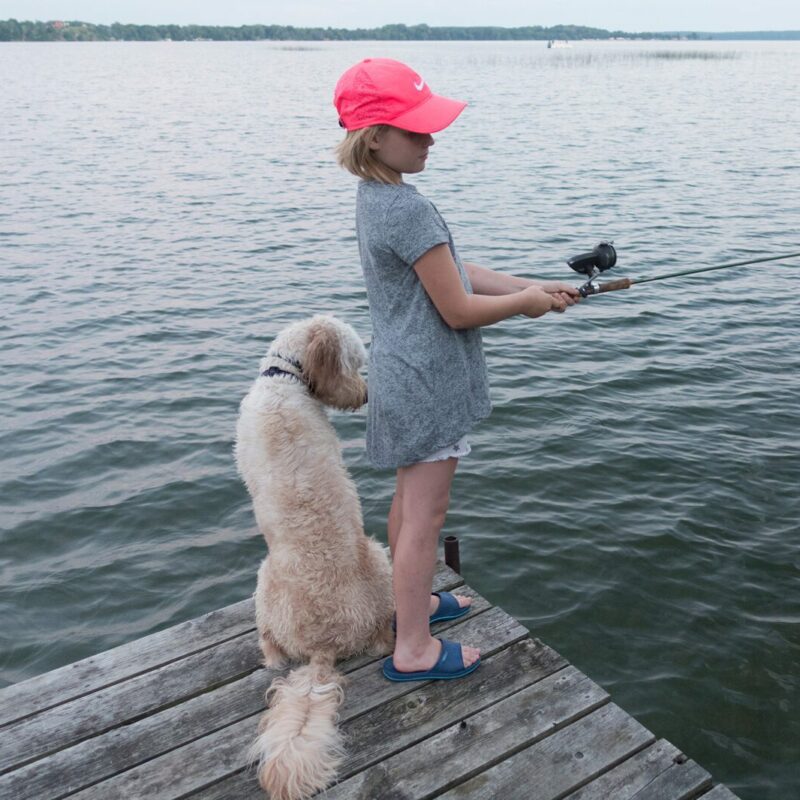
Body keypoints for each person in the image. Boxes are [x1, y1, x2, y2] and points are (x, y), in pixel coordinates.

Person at [333, 58, 579, 682]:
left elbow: (456, 274)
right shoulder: (407, 209)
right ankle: (411, 648)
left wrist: (533, 283)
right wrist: (525, 305)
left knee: (408, 505)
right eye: (416, 130)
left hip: (403, 372)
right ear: (375, 137)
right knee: (426, 519)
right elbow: (459, 308)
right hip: (426, 383)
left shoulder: (378, 198)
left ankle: (404, 609)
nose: (431, 139)